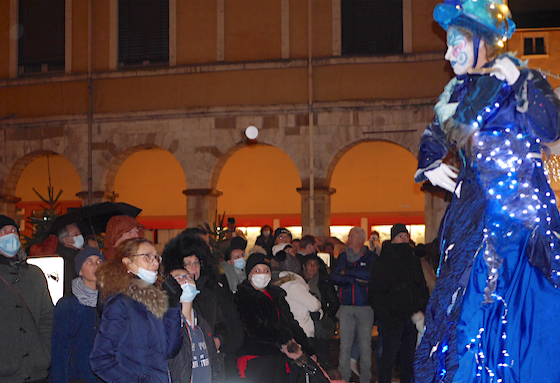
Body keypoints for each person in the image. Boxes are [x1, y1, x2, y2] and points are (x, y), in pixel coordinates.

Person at [413, 1, 560, 382]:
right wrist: (429, 162)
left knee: (515, 316)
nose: (448, 54)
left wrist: (523, 83)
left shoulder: (521, 82)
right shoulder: (458, 96)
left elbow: (553, 132)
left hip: (520, 218)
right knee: (463, 312)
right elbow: (435, 134)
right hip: (470, 217)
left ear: (482, 41)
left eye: (456, 42)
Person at [89, 238, 183, 382]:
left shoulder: (152, 300)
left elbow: (170, 350)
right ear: (127, 263)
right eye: (147, 256)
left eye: (157, 257)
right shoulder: (121, 304)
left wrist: (172, 306)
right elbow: (101, 359)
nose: (155, 263)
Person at [163, 232, 243, 382]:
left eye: (196, 263)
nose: (193, 268)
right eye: (188, 263)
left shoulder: (211, 292)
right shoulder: (169, 298)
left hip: (210, 363)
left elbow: (223, 323)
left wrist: (218, 339)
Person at [234, 253, 316, 382]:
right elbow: (255, 329)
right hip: (258, 358)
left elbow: (290, 322)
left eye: (266, 270)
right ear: (249, 274)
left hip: (280, 358)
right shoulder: (243, 296)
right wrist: (285, 338)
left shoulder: (276, 295)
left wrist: (308, 349)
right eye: (257, 271)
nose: (262, 274)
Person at [369, 224, 429, 383]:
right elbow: (375, 291)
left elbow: (420, 285)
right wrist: (385, 315)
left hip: (411, 316)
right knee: (389, 357)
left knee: (408, 359)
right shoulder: (383, 261)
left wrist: (420, 307)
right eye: (400, 236)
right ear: (393, 239)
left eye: (406, 236)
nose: (404, 239)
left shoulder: (413, 259)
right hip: (392, 317)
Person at [0, 215, 54, 383]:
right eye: (3, 231)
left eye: (13, 230)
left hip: (36, 370)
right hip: (5, 372)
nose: (10, 235)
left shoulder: (35, 274)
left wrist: (44, 350)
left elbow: (47, 316)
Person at [51, 246, 104, 383]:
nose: (95, 266)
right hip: (79, 377)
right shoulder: (67, 305)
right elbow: (58, 350)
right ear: (80, 270)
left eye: (99, 262)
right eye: (89, 262)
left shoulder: (111, 302)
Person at [331, 227, 376, 383]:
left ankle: (365, 378)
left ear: (361, 239)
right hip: (346, 306)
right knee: (344, 344)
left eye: (353, 236)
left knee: (365, 345)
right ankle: (344, 377)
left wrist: (348, 272)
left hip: (365, 306)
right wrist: (355, 277)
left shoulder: (370, 256)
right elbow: (335, 277)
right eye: (349, 236)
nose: (349, 239)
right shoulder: (343, 257)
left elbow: (370, 275)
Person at [165, 266, 223, 382]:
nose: (186, 280)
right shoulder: (169, 325)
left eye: (189, 277)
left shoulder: (202, 324)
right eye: (179, 279)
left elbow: (214, 362)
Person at [301, 254, 340, 369]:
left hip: (320, 323)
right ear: (304, 266)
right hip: (304, 323)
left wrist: (326, 313)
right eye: (310, 264)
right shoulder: (299, 282)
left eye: (315, 264)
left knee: (322, 354)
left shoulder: (324, 281)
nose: (312, 267)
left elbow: (334, 301)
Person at [57, 223, 84, 295]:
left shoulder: (78, 255)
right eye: (76, 235)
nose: (80, 236)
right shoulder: (63, 259)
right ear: (66, 240)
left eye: (80, 234)